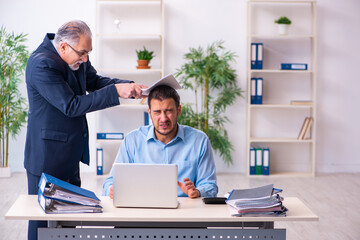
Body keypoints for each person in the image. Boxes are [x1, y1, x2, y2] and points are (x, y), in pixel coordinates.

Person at [24, 20, 146, 240]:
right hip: (46, 158)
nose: (85, 59)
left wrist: (129, 85)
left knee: (70, 216)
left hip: (70, 155)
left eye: (88, 53)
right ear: (63, 47)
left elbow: (96, 81)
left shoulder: (76, 58)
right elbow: (71, 105)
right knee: (42, 221)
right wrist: (116, 91)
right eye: (82, 53)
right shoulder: (41, 64)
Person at [102, 84, 218, 199]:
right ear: (150, 113)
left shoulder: (199, 140)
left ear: (179, 110)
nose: (163, 118)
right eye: (157, 112)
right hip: (142, 209)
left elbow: (209, 185)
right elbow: (110, 183)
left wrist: (197, 192)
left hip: (184, 212)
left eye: (168, 111)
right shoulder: (132, 140)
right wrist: (112, 190)